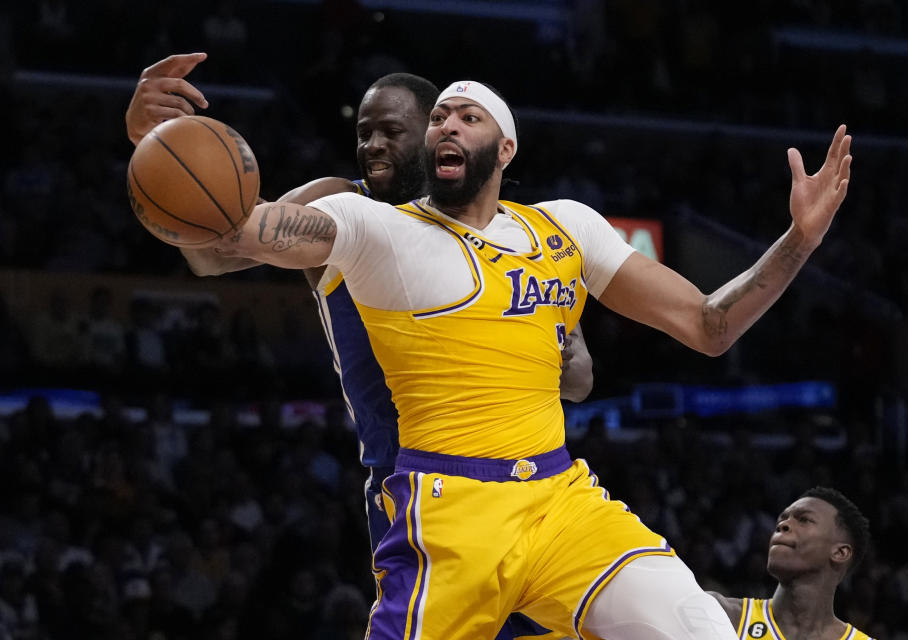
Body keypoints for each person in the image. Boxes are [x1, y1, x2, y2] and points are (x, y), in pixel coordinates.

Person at [198, 78, 852, 639]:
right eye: (438, 118)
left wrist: (799, 238)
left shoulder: (564, 228)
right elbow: (236, 237)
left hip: (558, 500)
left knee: (695, 623)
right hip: (451, 509)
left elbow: (709, 326)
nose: (447, 123)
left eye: (468, 116)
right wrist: (162, 146)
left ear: (505, 148)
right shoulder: (378, 229)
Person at [125, 55, 592, 640]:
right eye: (363, 132)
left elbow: (580, 382)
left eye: (391, 132)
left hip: (528, 485)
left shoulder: (509, 234)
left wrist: (559, 352)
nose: (372, 144)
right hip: (416, 482)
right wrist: (154, 144)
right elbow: (211, 251)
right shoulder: (339, 205)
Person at [709, 487, 875, 640]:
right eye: (782, 519)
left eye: (804, 519)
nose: (783, 524)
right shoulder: (722, 614)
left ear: (839, 553)